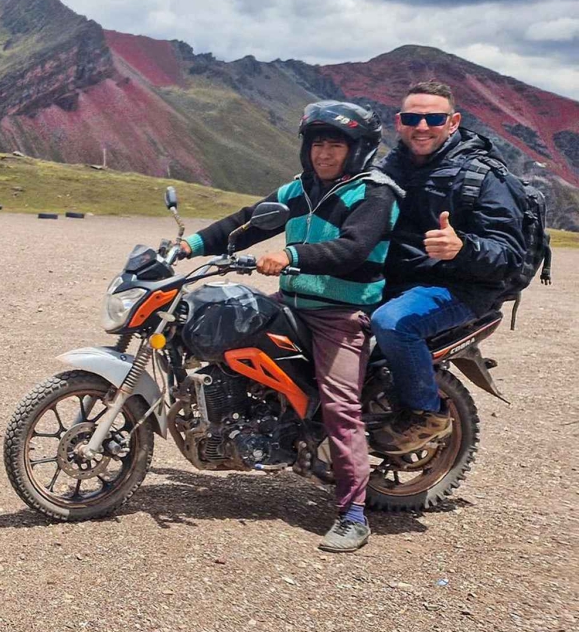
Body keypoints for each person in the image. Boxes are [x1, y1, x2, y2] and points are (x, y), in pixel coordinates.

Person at [176, 101, 399, 553]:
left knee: (340, 405)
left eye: (335, 144)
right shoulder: (301, 189)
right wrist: (190, 244)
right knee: (229, 328)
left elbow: (353, 248)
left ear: (357, 149)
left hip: (340, 313)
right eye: (317, 143)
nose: (323, 153)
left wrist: (292, 256)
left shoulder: (375, 193)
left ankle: (354, 514)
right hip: (294, 301)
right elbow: (247, 221)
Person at [370, 81, 526, 453]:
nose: (422, 126)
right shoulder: (389, 166)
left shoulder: (482, 176)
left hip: (461, 288)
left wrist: (461, 247)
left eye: (434, 118)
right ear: (399, 122)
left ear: (453, 122)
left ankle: (428, 414)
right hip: (400, 280)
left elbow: (508, 254)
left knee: (394, 324)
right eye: (413, 117)